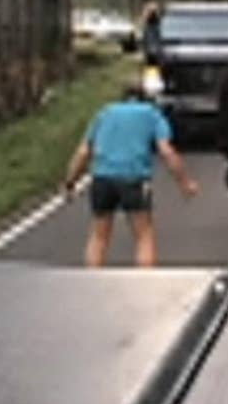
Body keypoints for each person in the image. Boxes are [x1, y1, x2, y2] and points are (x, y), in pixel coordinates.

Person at [63, 85, 198, 268]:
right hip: (134, 179)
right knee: (143, 235)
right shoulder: (151, 114)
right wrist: (184, 183)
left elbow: (83, 151)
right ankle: (143, 285)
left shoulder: (105, 113)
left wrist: (70, 182)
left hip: (102, 178)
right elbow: (166, 151)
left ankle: (90, 283)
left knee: (99, 236)